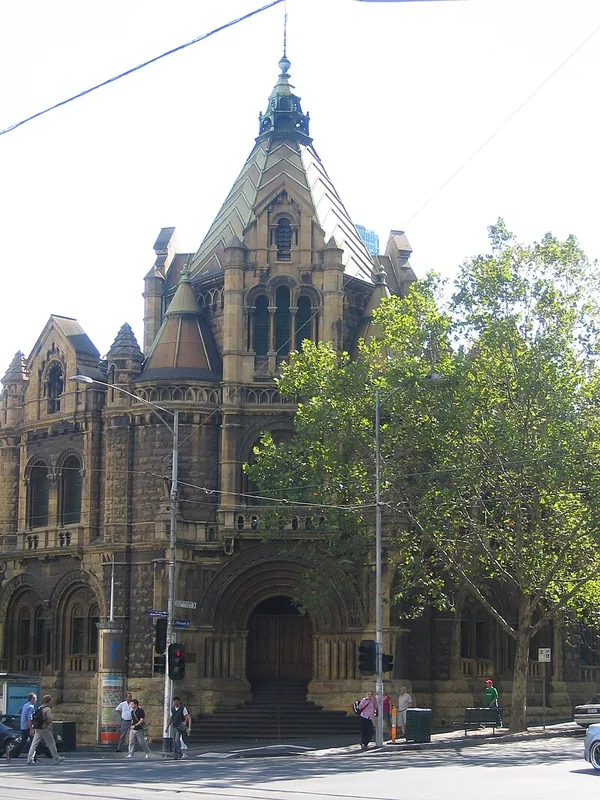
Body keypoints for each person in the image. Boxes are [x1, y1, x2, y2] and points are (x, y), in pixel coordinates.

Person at [26, 695, 65, 765]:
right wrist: (51, 719)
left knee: (34, 744)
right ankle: (56, 758)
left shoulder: (40, 707)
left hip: (38, 728)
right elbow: (49, 718)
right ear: (49, 701)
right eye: (51, 701)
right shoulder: (47, 709)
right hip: (45, 729)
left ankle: (29, 759)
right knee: (51, 743)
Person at [167, 696, 191, 760]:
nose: (175, 702)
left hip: (180, 726)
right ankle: (176, 754)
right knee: (174, 740)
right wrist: (167, 726)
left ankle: (179, 753)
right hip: (174, 726)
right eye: (174, 701)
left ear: (179, 701)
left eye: (176, 701)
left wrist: (185, 723)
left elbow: (186, 717)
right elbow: (171, 718)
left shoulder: (183, 709)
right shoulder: (172, 709)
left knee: (176, 740)